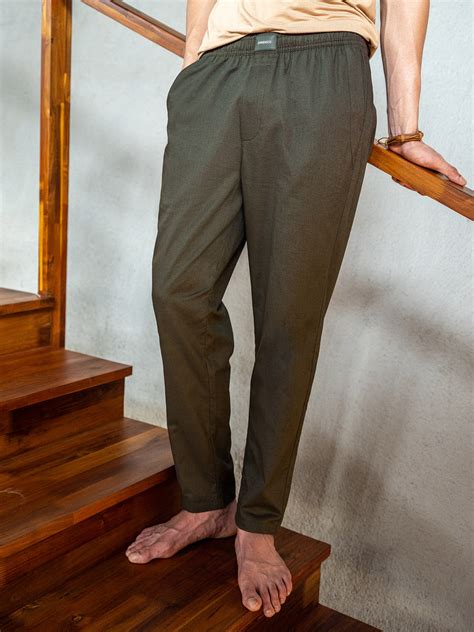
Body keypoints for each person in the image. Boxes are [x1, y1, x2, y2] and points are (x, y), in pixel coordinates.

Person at [125, 0, 466, 619]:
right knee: (179, 293)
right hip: (216, 73)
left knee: (288, 316)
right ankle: (206, 500)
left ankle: (256, 522)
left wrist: (406, 130)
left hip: (324, 68)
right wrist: (194, 58)